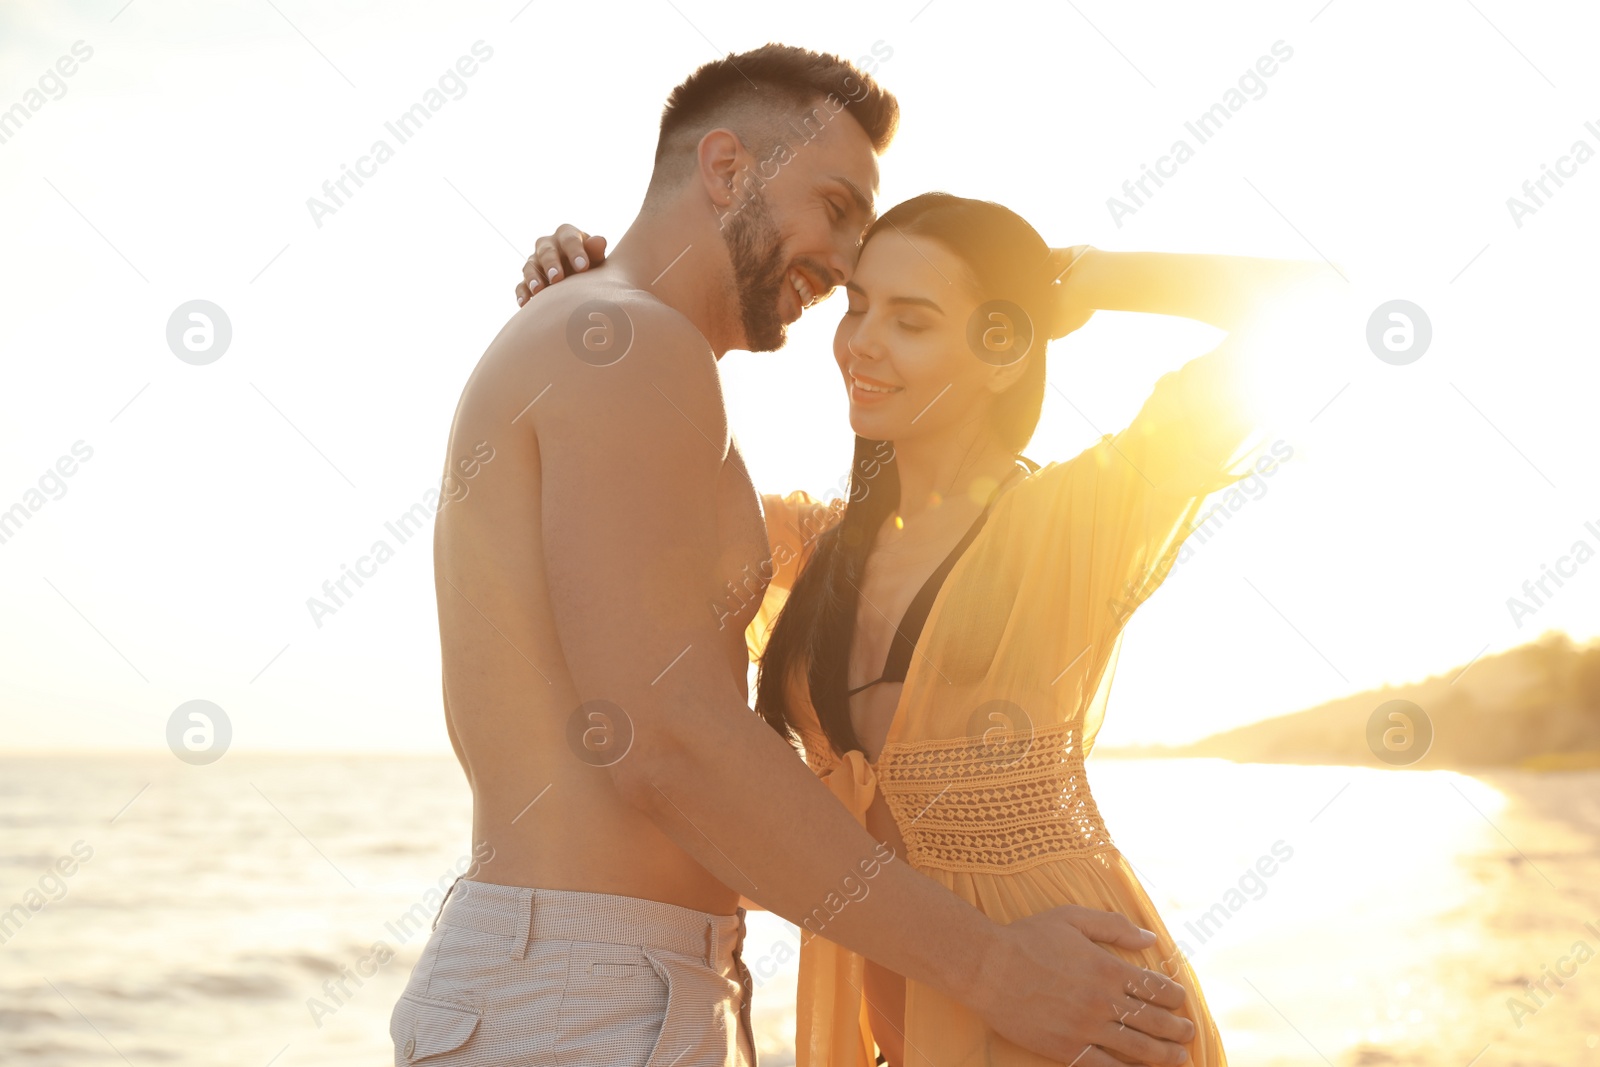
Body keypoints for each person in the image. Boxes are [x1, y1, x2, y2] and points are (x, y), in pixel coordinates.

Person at [399, 43, 1198, 1067]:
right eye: (835, 205)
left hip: (606, 981)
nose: (849, 258)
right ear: (727, 170)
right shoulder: (623, 340)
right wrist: (997, 970)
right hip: (583, 994)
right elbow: (668, 738)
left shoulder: (609, 337)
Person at [517, 191, 1333, 1065]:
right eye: (858, 306)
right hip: (904, 1009)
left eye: (911, 321)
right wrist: (584, 309)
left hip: (1078, 1002)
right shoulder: (811, 550)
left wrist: (1086, 279)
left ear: (1002, 349)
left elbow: (1319, 306)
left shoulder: (1079, 516)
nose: (860, 342)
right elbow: (628, 488)